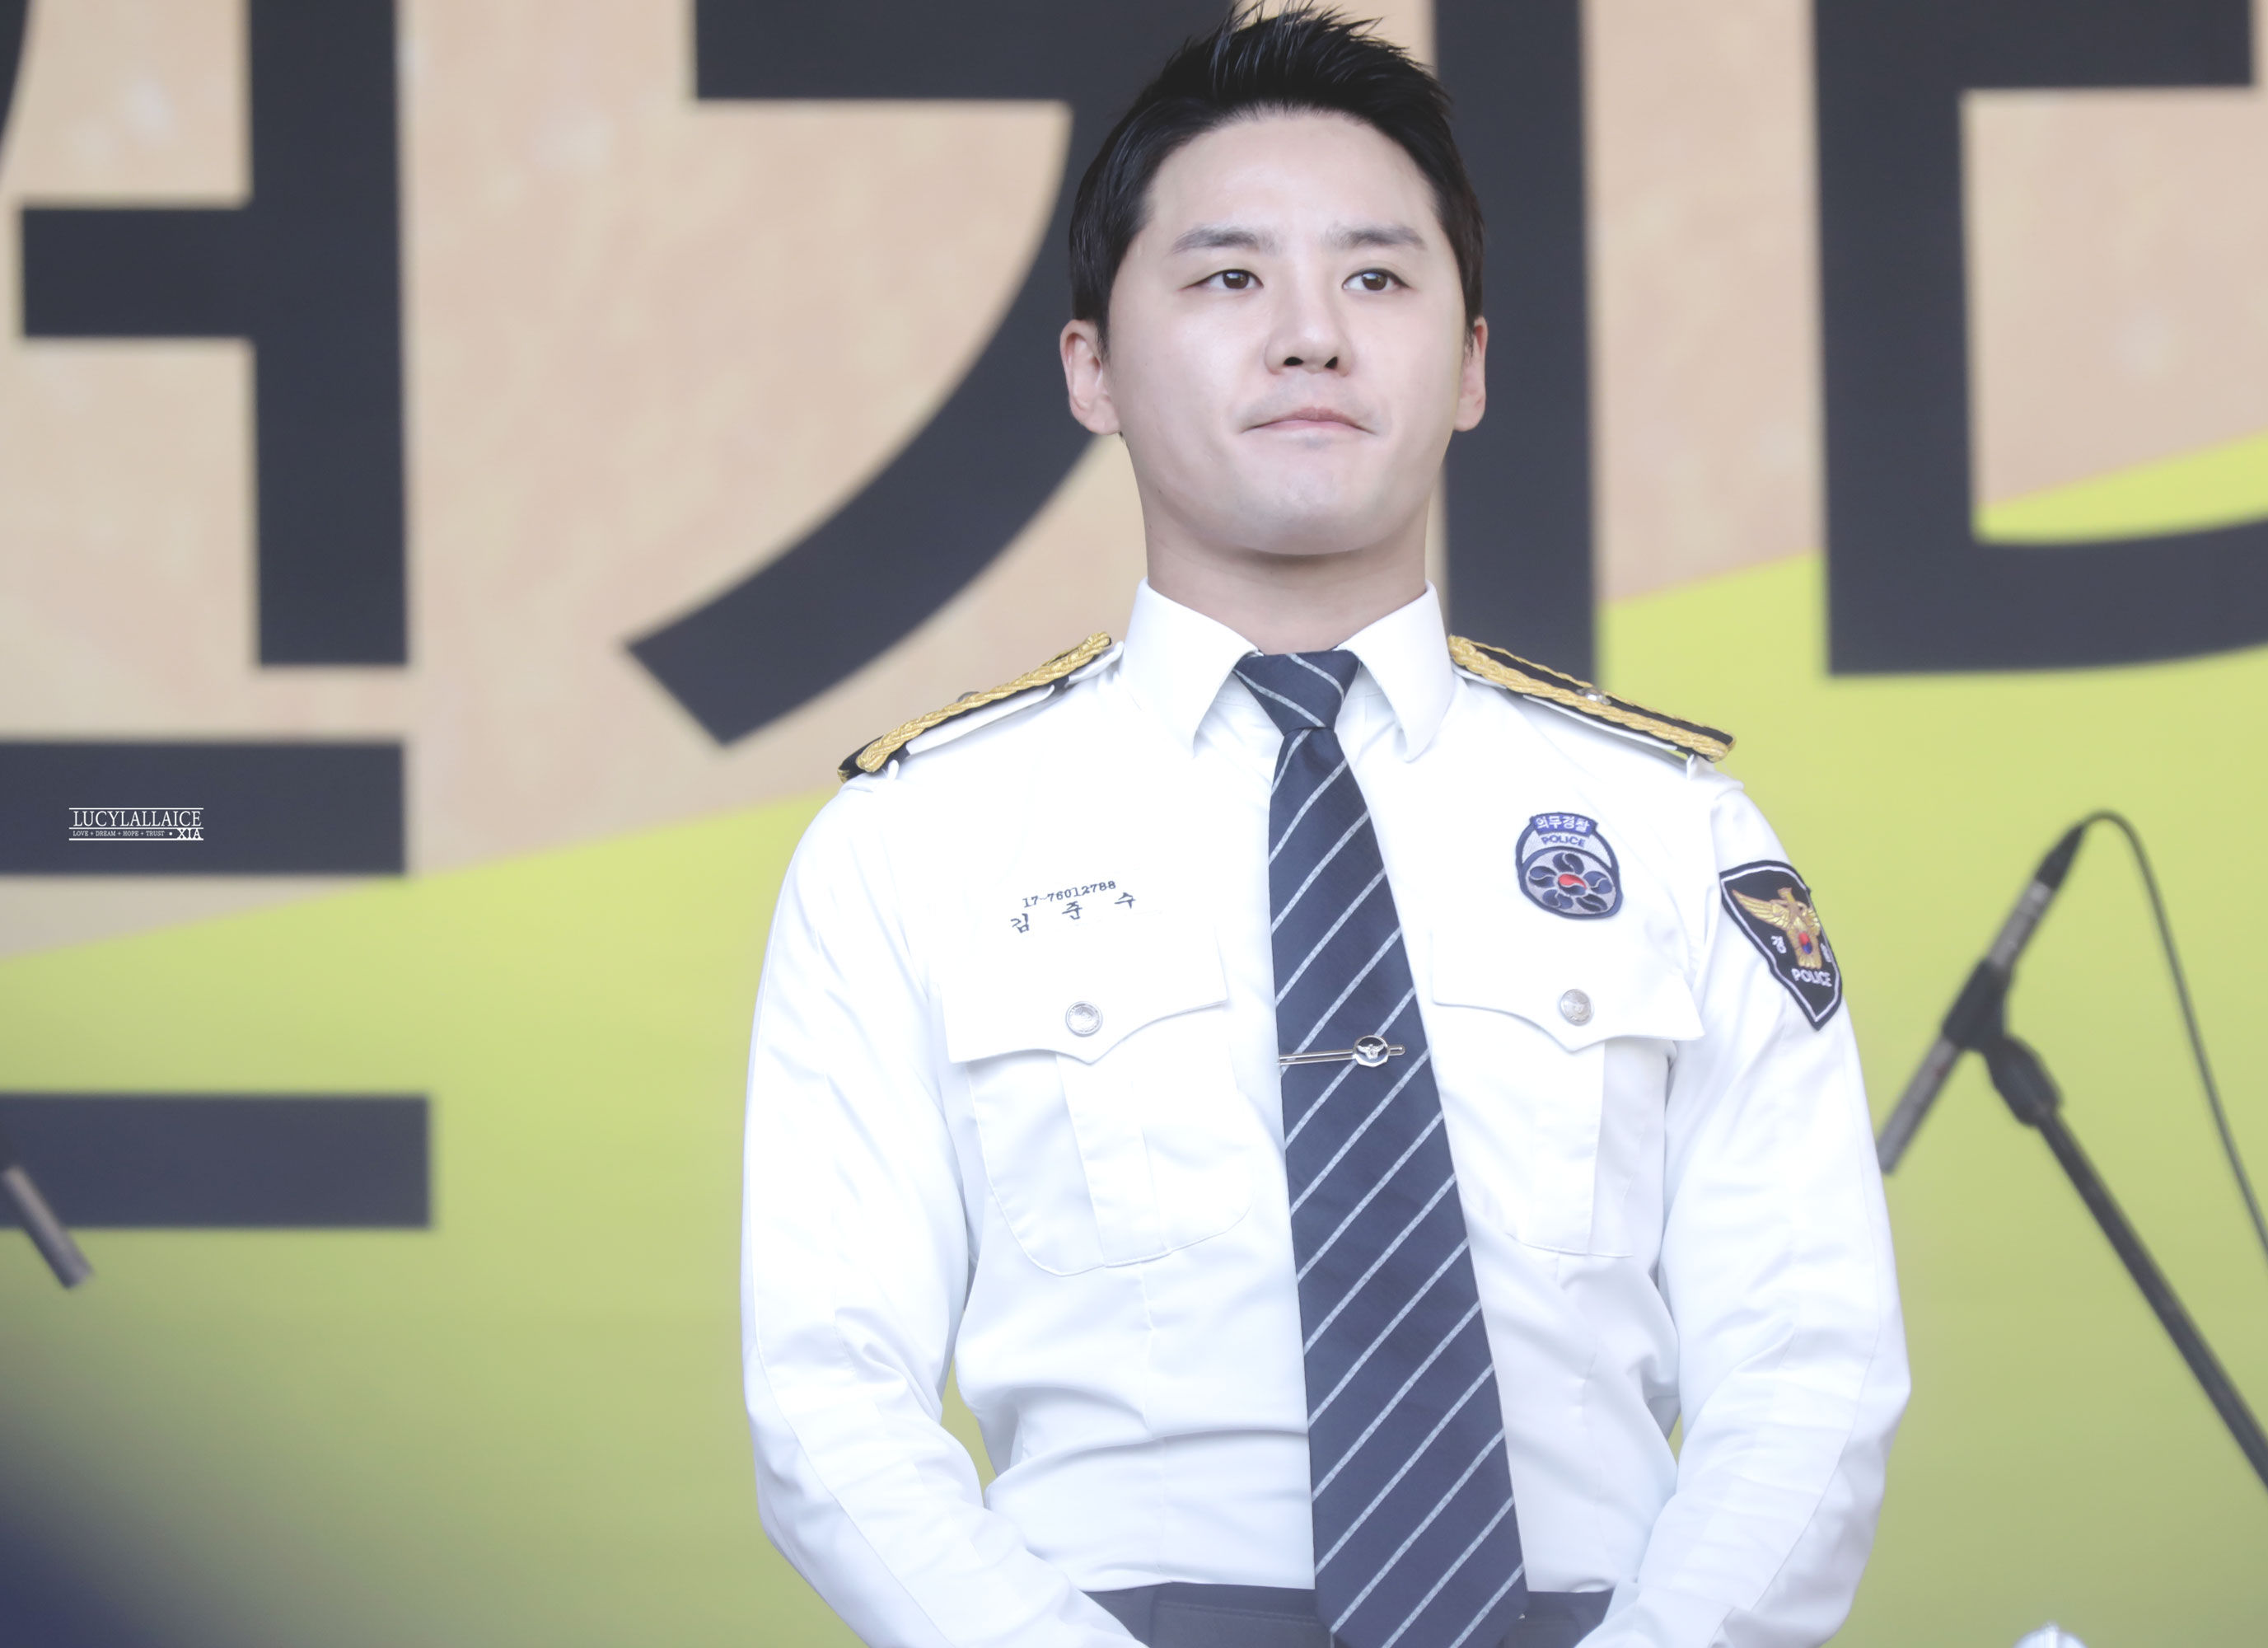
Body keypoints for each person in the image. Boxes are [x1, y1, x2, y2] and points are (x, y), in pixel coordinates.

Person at [741, 12, 1906, 1647]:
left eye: (1375, 276)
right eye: (1229, 277)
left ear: (1473, 364)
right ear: (1089, 367)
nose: (1310, 337)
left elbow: (1807, 1362)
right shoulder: (914, 844)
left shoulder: (1671, 829)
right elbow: (828, 1401)